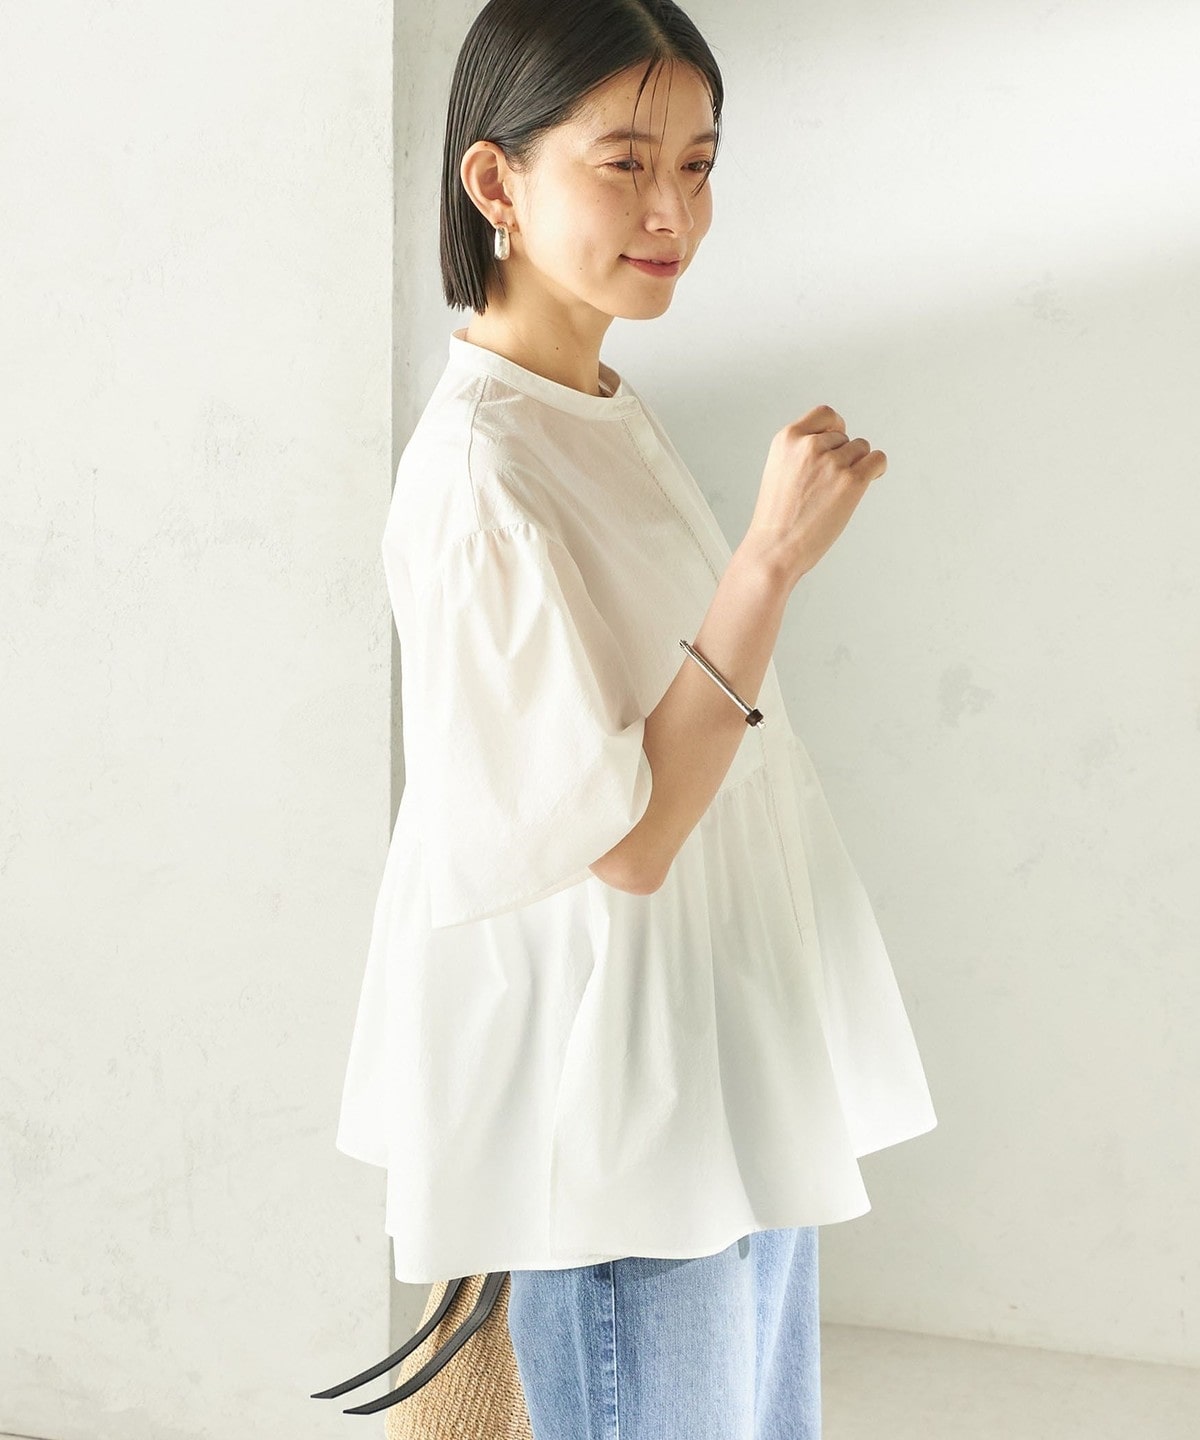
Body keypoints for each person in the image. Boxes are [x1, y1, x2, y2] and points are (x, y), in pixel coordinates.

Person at [334, 1, 938, 1435]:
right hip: (614, 1113)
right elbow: (627, 842)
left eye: (700, 163)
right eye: (625, 162)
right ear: (496, 182)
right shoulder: (481, 471)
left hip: (717, 1063)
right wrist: (764, 567)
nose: (674, 210)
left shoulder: (593, 404)